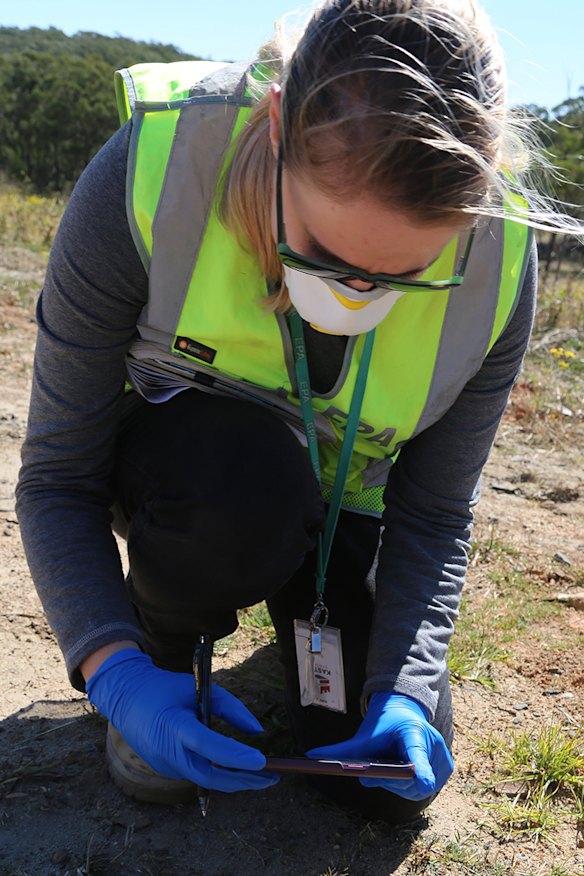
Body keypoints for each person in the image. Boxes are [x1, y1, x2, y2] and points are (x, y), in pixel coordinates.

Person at [14, 0, 577, 823]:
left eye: (408, 273)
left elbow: (436, 511)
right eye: (323, 250)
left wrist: (408, 691)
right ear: (277, 125)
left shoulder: (501, 261)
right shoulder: (157, 168)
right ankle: (166, 648)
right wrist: (115, 668)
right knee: (241, 490)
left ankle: (329, 648)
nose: (357, 293)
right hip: (197, 480)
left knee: (381, 788)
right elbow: (57, 472)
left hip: (348, 504)